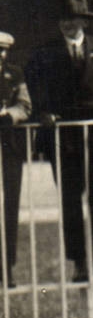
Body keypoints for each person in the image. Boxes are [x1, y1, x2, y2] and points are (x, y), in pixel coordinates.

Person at [24, 0, 93, 284]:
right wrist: (44, 111)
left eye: (73, 20)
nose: (67, 25)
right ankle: (80, 263)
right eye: (63, 20)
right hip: (64, 134)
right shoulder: (44, 53)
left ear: (84, 21)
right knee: (71, 199)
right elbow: (34, 87)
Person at [0, 31, 31, 286]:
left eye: (2, 50)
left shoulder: (15, 75)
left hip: (8, 147)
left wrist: (7, 116)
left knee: (9, 207)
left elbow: (24, 105)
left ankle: (6, 267)